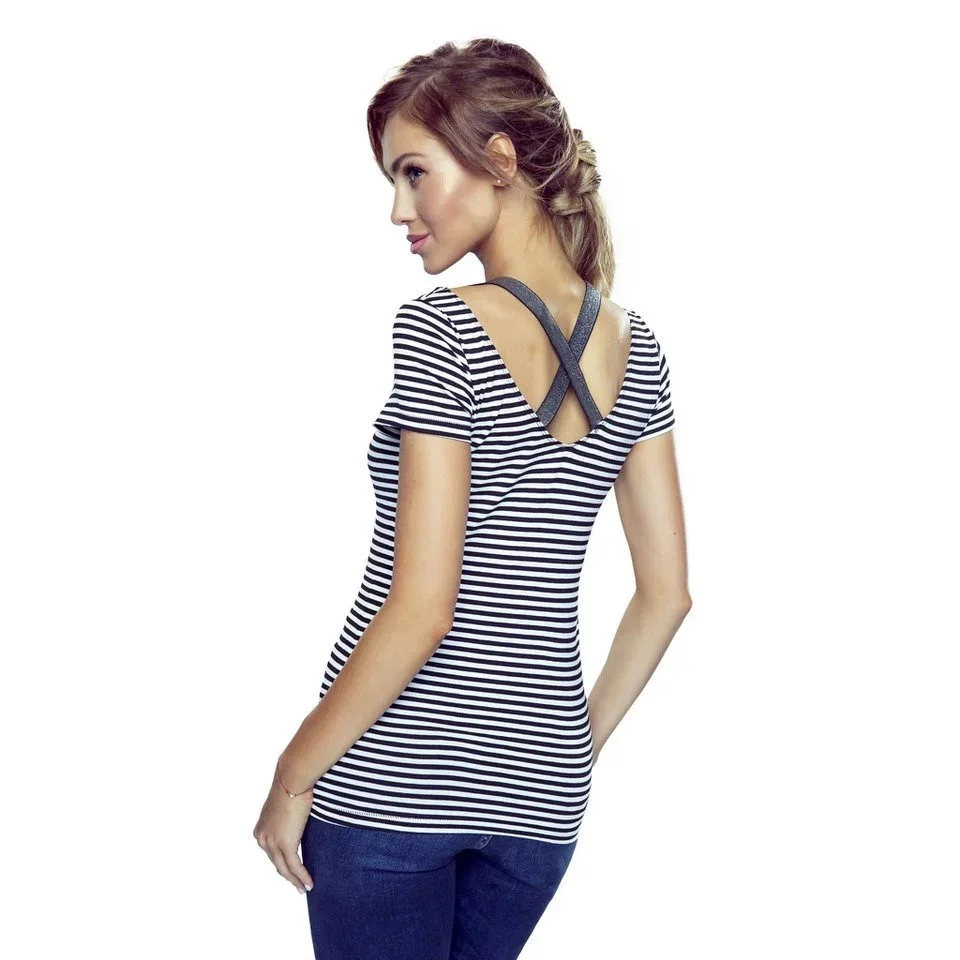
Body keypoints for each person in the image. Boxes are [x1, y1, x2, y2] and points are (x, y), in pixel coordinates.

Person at [253, 37, 692, 960]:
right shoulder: (638, 344)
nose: (398, 209)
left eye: (414, 173)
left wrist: (294, 775)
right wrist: (566, 755)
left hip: (392, 785)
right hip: (542, 806)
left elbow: (422, 605)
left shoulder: (444, 329)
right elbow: (667, 596)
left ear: (499, 159)